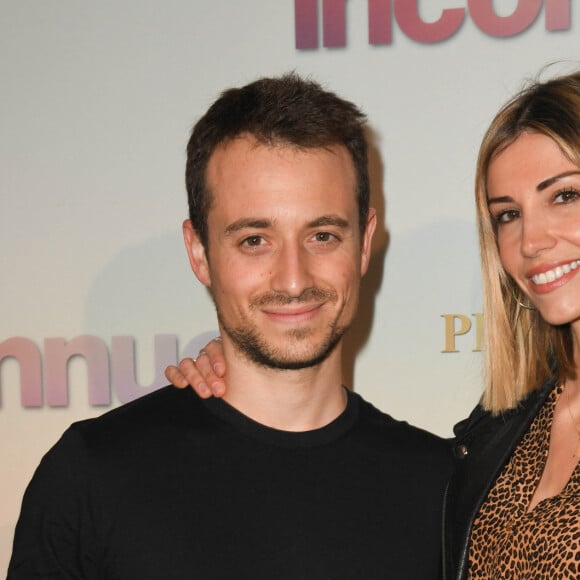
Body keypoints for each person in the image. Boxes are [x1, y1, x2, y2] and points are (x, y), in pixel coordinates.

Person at [9, 74, 452, 579]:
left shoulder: (440, 486)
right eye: (254, 240)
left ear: (365, 243)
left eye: (323, 235)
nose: (292, 279)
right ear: (199, 252)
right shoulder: (92, 476)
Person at [166, 70, 580, 579]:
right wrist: (242, 370)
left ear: (363, 242)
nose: (531, 240)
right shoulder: (499, 433)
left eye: (565, 195)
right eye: (507, 214)